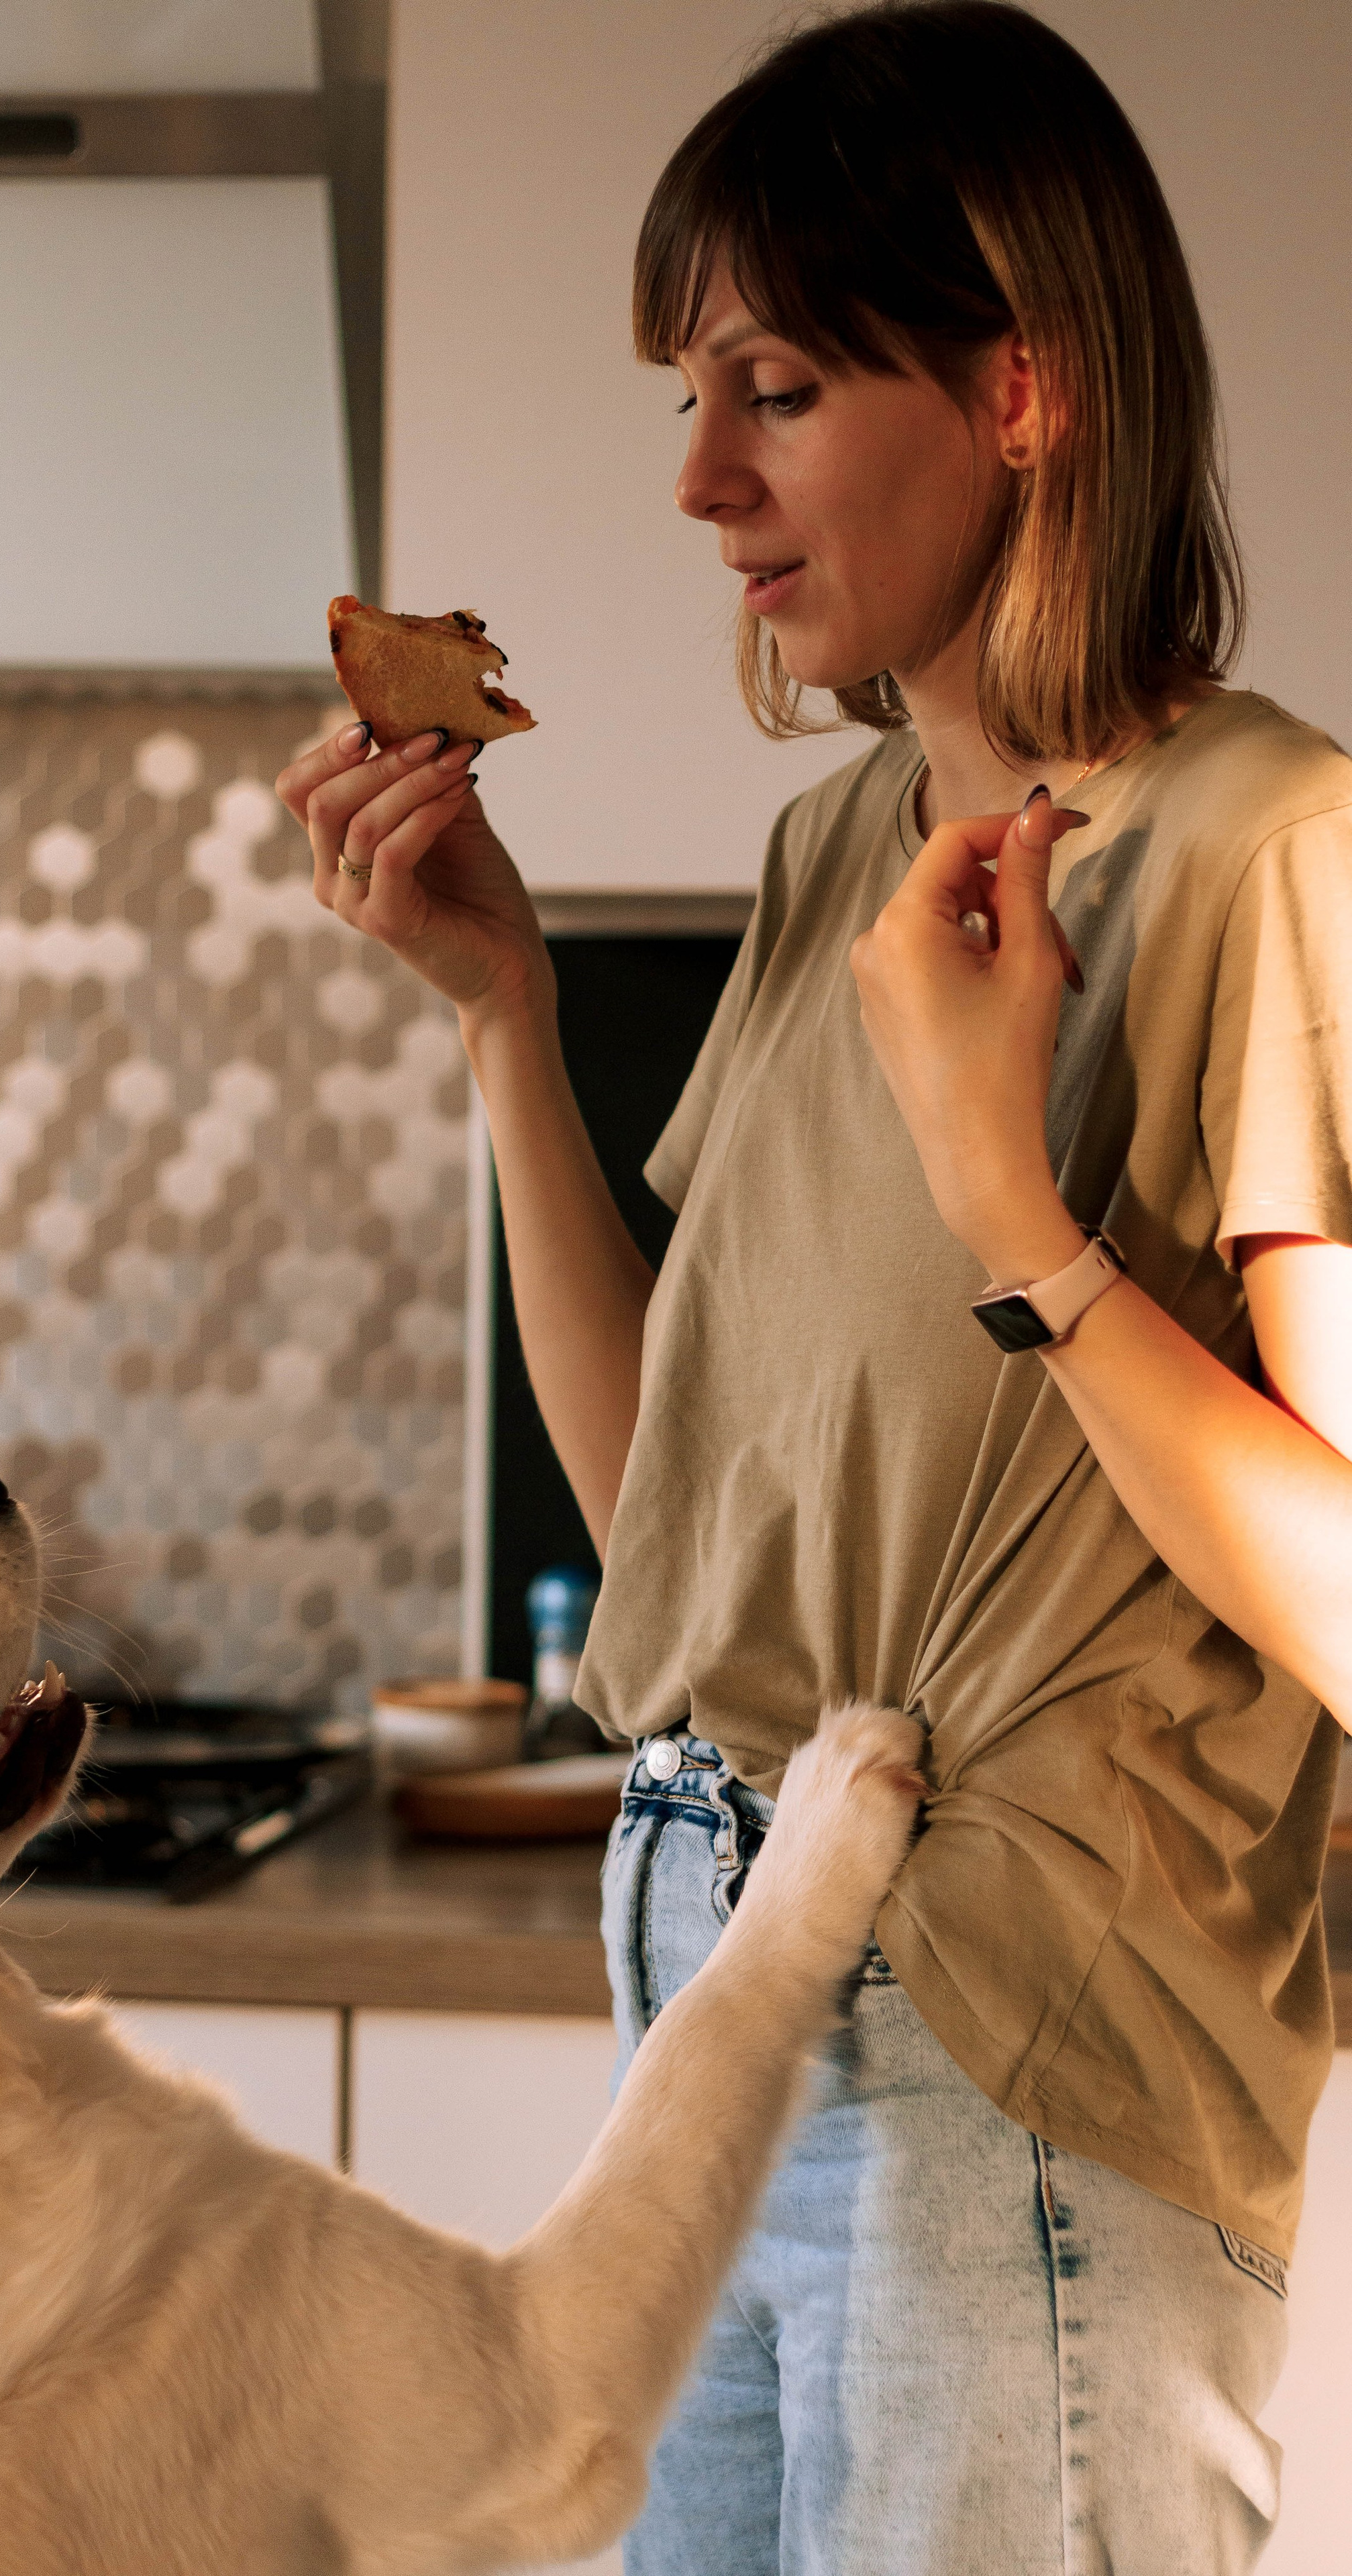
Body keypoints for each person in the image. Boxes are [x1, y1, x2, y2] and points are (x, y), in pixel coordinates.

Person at [276, 4, 1352, 2566]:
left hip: (1011, 2068)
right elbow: (671, 1507)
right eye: (689, 391)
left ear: (1021, 385)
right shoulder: (837, 852)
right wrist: (506, 1013)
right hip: (717, 2013)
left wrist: (1023, 1219)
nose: (698, 479)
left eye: (770, 384)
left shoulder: (1263, 849)